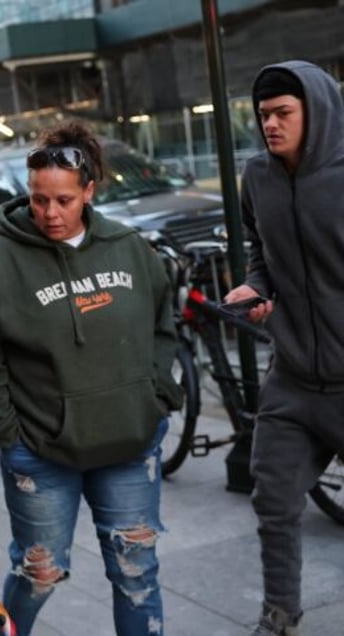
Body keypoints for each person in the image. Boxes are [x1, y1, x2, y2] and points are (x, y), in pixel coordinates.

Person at [0, 121, 182, 636]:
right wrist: (9, 439)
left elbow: (164, 325)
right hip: (41, 453)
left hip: (129, 445)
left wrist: (157, 397)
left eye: (62, 200)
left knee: (136, 573)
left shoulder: (128, 248)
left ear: (89, 192)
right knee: (39, 575)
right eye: (38, 200)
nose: (49, 214)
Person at [223, 60, 344, 636]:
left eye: (282, 113)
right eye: (263, 114)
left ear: (314, 111)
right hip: (292, 379)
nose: (270, 124)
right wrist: (257, 287)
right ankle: (279, 614)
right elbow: (261, 253)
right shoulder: (258, 178)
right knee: (272, 502)